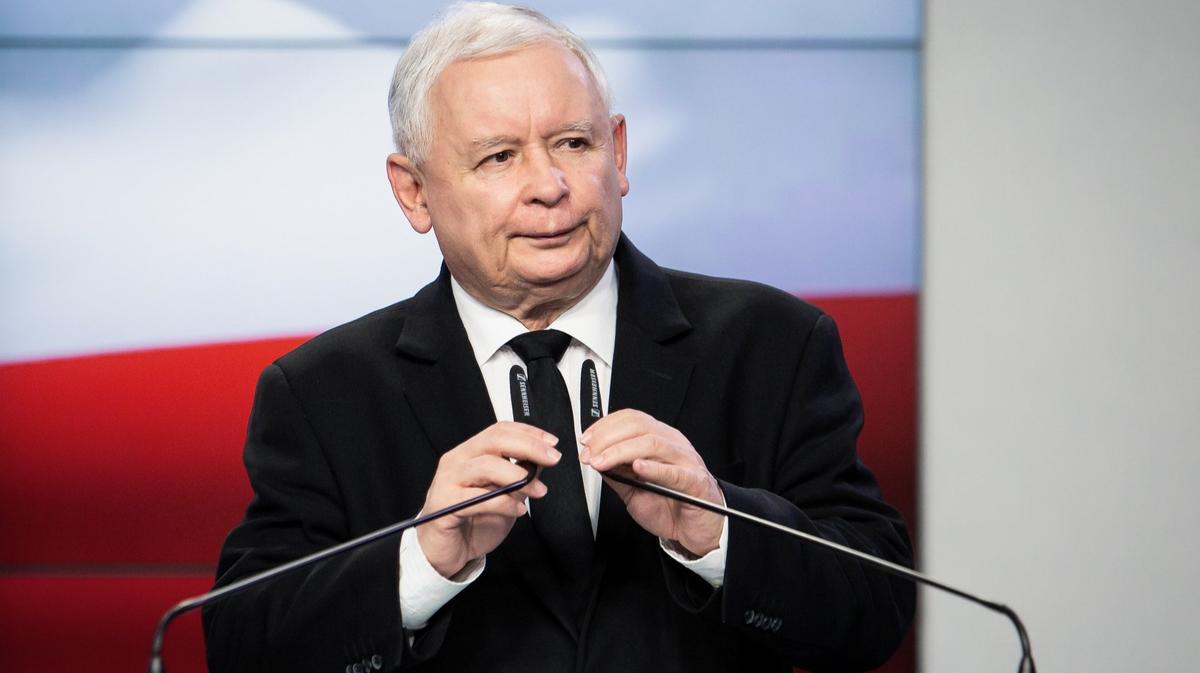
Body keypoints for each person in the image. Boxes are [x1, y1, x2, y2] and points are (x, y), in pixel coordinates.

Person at [202, 4, 914, 672]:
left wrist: (720, 532)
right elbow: (244, 645)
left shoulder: (772, 345)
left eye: (573, 143)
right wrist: (421, 563)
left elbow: (878, 607)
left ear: (619, 154)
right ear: (414, 192)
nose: (548, 185)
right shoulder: (323, 392)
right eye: (498, 157)